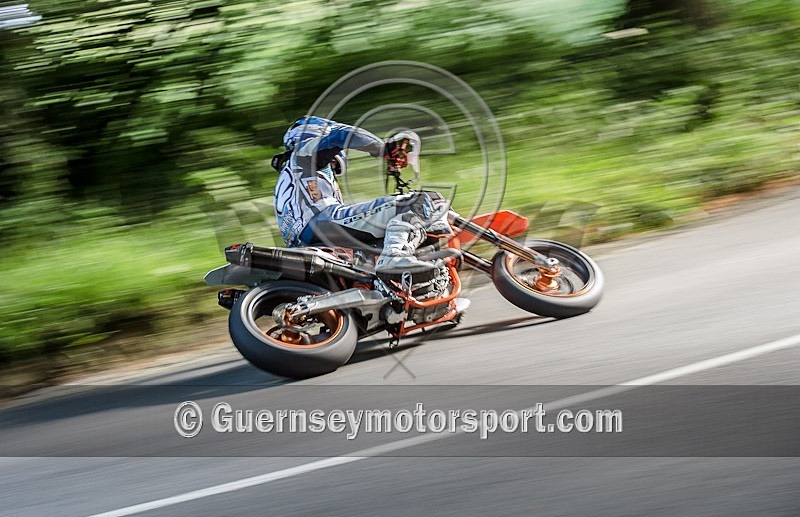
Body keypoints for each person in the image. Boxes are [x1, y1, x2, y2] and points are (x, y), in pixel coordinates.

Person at [273, 116, 447, 276]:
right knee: (419, 201)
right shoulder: (303, 154)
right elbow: (342, 136)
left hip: (306, 239)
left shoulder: (293, 175)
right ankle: (394, 257)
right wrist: (384, 149)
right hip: (321, 222)